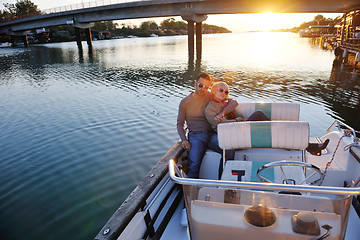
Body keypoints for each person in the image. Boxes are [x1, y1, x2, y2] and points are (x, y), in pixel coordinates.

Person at [205, 82, 329, 156]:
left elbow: (240, 117)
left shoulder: (227, 104)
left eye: (226, 92)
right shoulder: (210, 109)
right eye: (221, 90)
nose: (224, 94)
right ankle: (308, 146)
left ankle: (302, 144)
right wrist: (232, 122)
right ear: (213, 92)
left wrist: (230, 120)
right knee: (259, 114)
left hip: (239, 129)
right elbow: (219, 127)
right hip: (233, 136)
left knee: (263, 119)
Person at [176, 73, 238, 179]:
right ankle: (192, 194)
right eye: (200, 86)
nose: (203, 89)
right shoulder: (185, 102)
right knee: (193, 166)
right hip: (196, 136)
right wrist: (184, 140)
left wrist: (222, 113)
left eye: (206, 87)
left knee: (228, 150)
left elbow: (233, 102)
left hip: (212, 134)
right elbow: (179, 123)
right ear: (195, 83)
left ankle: (222, 182)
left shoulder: (210, 96)